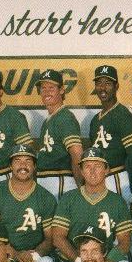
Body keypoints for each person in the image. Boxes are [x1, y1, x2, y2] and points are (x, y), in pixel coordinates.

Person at [52, 147, 132, 262]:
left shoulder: (117, 201)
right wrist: (79, 261)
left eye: (97, 166)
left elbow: (124, 242)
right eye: (87, 166)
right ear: (81, 171)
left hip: (105, 261)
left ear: (106, 170)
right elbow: (58, 237)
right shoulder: (69, 198)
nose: (92, 171)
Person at [0, 144, 58, 262]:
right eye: (17, 161)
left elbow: (50, 238)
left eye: (28, 161)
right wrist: (14, 253)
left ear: (34, 166)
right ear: (10, 166)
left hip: (35, 254)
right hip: (4, 251)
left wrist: (34, 256)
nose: (23, 165)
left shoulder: (46, 198)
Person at [88, 65, 132, 203]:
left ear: (116, 86)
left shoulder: (123, 115)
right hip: (97, 181)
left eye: (107, 83)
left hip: (117, 178)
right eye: (99, 83)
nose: (102, 88)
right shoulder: (95, 120)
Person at [35, 69, 83, 199]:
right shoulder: (47, 121)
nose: (46, 92)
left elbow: (77, 155)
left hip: (60, 180)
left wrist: (82, 187)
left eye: (51, 88)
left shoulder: (65, 117)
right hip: (47, 180)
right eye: (43, 88)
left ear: (61, 90)